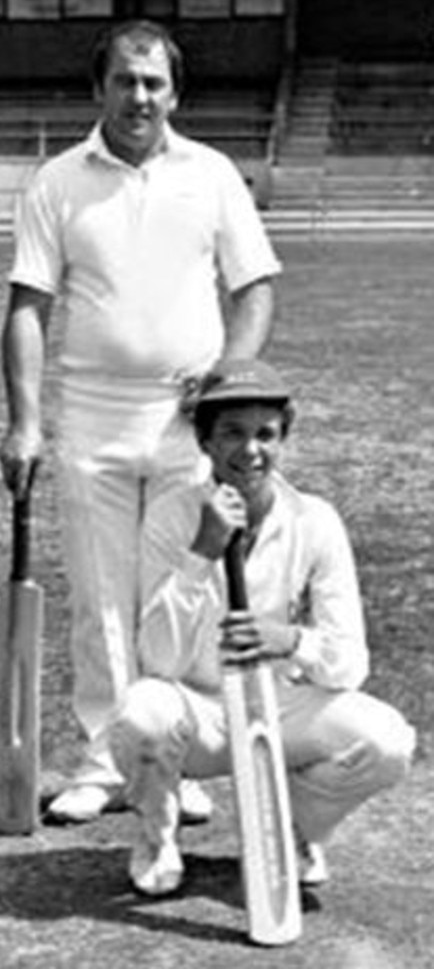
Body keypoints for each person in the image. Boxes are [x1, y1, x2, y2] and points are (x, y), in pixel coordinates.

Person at [0, 19, 282, 824]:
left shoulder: (212, 173)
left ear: (175, 92)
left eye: (154, 82)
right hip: (91, 420)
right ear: (101, 88)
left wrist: (228, 378)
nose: (140, 96)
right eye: (125, 80)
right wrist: (25, 423)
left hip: (186, 425)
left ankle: (171, 757)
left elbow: (254, 285)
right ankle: (103, 760)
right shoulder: (57, 181)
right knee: (101, 600)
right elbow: (28, 308)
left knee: (178, 595)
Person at [108, 358, 416, 896]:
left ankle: (295, 830)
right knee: (142, 714)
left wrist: (290, 640)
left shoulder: (315, 521)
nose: (250, 451)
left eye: (265, 435)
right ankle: (158, 835)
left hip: (279, 706)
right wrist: (202, 552)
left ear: (283, 440)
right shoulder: (170, 515)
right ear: (204, 440)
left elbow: (350, 663)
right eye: (231, 433)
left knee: (386, 740)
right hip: (197, 711)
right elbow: (156, 659)